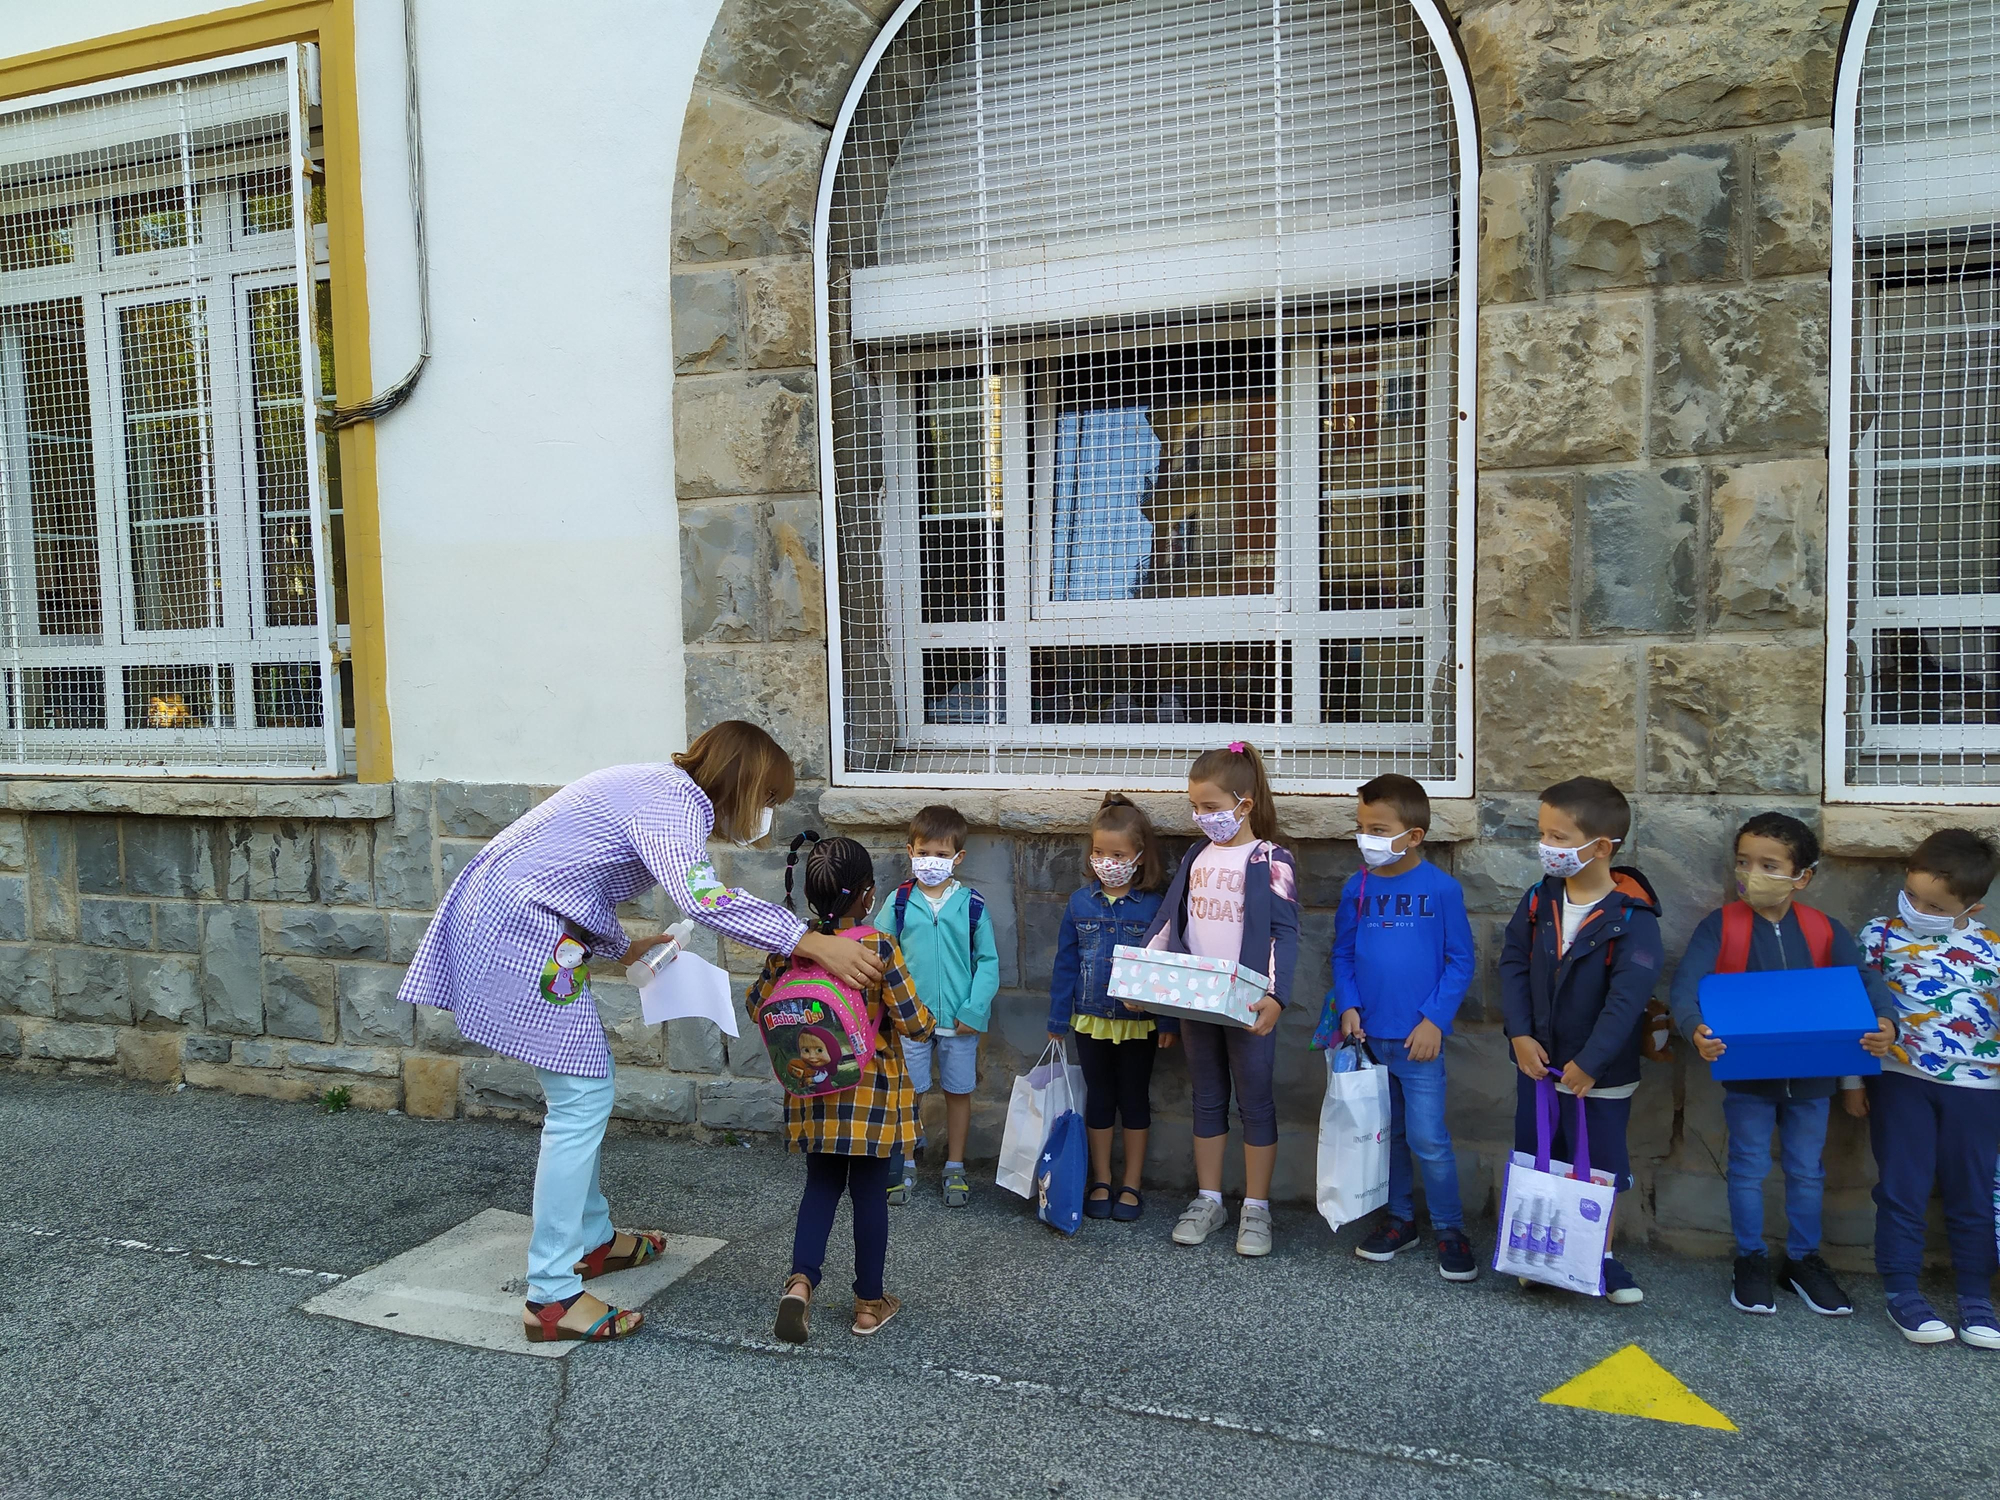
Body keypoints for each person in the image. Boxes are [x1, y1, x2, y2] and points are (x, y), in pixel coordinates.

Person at [399, 721, 884, 1345]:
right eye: (767, 798)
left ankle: (593, 1241)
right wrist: (809, 940)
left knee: (584, 1092)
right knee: (580, 1101)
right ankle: (551, 1297)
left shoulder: (657, 789)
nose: (765, 815)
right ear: (744, 782)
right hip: (519, 928)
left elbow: (568, 876)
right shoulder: (674, 800)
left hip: (516, 916)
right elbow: (703, 899)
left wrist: (625, 947)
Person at [1667, 812, 1897, 1318]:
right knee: (1747, 1167)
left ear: (1802, 876)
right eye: (1743, 862)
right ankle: (1749, 1257)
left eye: (1769, 865)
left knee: (1807, 1171)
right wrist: (1694, 1027)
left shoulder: (1823, 929)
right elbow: (1687, 986)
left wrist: (1886, 1021)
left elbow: (1863, 981)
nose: (1752, 874)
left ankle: (1803, 1260)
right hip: (1747, 1077)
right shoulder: (1719, 926)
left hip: (1814, 1079)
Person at [754, 836, 934, 1343]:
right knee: (870, 1195)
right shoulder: (877, 946)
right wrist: (924, 1022)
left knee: (821, 1187)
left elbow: (758, 1006)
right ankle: (869, 1306)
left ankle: (800, 1284)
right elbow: (913, 1022)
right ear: (868, 894)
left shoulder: (794, 945)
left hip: (813, 1090)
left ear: (811, 894)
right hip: (871, 1095)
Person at [1498, 776, 1661, 1306]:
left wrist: (1591, 1062)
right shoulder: (1536, 899)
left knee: (1600, 1167)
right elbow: (1512, 966)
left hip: (1601, 1076)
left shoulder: (1633, 917)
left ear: (1602, 847)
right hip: (1538, 1066)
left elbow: (1627, 999)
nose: (1546, 846)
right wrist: (1520, 1034)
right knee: (1542, 1155)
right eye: (1544, 834)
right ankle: (1541, 1253)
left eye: (1559, 837)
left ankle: (1601, 1256)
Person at [1318, 773, 1477, 1280]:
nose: (1366, 838)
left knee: (1429, 1139)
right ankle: (1400, 1220)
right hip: (1368, 1040)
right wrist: (1349, 1005)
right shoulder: (1357, 887)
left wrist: (1434, 1020)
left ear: (1414, 836)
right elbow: (1343, 953)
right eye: (1361, 827)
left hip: (1419, 1044)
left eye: (1379, 829)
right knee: (1387, 1136)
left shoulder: (1441, 889)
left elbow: (1460, 960)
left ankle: (1450, 1229)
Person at [1145, 742, 1300, 1257]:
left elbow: (1284, 932)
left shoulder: (1271, 859)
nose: (1201, 816)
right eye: (1195, 806)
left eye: (1210, 806)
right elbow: (1170, 919)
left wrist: (1276, 996)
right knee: (1207, 1098)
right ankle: (1209, 1199)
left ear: (1245, 804)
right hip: (1196, 999)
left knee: (1255, 1102)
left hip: (1248, 1002)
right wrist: (1142, 978)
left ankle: (1256, 1207)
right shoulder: (1195, 855)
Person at [1859, 828, 2000, 1348]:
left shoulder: (1993, 949)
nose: (1917, 910)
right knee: (1902, 1188)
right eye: (1911, 895)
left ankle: (1976, 1297)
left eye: (1935, 907)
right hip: (1901, 1079)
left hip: (1978, 1087)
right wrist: (1853, 1081)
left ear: (1973, 908)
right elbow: (1856, 1011)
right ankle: (1901, 1290)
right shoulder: (1877, 935)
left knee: (1972, 1191)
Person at [1047, 793, 1176, 1222]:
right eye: (1100, 852)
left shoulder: (1154, 907)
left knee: (1134, 1099)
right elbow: (1066, 963)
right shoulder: (1080, 903)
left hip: (1139, 1022)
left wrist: (1168, 1020)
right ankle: (1101, 1179)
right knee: (1099, 1099)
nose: (1107, 862)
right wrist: (1057, 1017)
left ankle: (1132, 1183)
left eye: (1118, 855)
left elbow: (1165, 967)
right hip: (1090, 1019)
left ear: (1138, 857)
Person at [874, 805, 1000, 1207]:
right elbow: (879, 951)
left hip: (959, 1022)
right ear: (910, 851)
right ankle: (905, 1163)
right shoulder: (898, 902)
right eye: (924, 852)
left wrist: (973, 1010)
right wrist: (892, 1008)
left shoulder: (972, 905)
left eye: (942, 854)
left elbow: (988, 963)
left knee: (958, 1092)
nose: (932, 861)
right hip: (909, 1020)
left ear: (957, 858)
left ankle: (955, 1166)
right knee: (907, 1092)